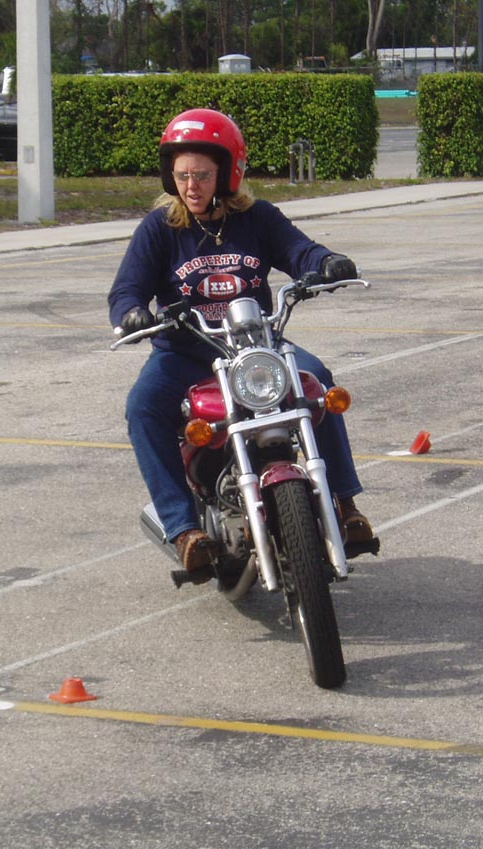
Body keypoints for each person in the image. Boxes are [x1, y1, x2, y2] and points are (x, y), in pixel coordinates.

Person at [108, 108, 374, 575]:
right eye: (183, 176)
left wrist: (326, 262)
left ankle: (345, 505)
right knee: (143, 407)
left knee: (317, 382)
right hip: (185, 353)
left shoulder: (257, 218)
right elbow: (127, 288)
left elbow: (299, 250)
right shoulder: (160, 228)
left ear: (228, 173)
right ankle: (183, 528)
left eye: (202, 175)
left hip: (255, 349)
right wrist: (132, 313)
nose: (192, 186)